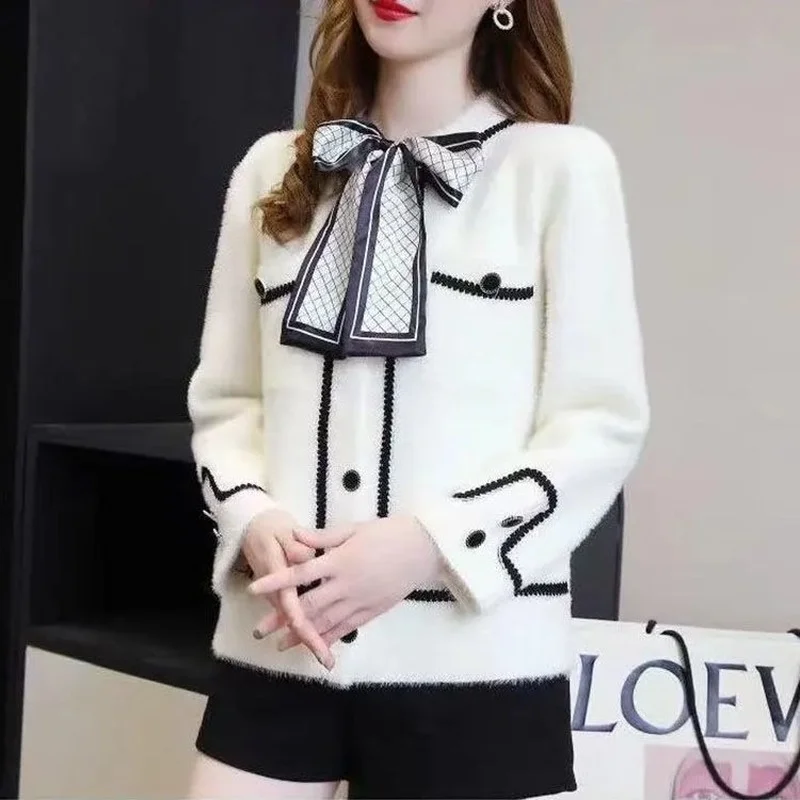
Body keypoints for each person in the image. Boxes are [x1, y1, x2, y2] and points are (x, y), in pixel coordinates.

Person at [186, 0, 649, 797]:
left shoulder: (561, 170)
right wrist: (252, 517)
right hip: (277, 644)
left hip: (476, 668)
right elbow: (228, 402)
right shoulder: (271, 169)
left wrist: (428, 544)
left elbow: (600, 425)